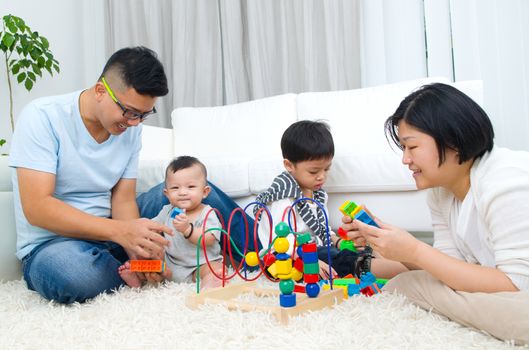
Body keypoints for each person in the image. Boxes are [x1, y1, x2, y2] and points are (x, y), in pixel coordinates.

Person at [341, 82, 529, 345]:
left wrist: (416, 251)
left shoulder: (506, 181)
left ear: (453, 142)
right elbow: (446, 270)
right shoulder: (441, 193)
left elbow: (517, 285)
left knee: (410, 286)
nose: (405, 160)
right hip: (503, 288)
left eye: (412, 147)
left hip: (520, 295)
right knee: (412, 283)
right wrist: (388, 243)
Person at [253, 120, 368, 279]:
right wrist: (310, 260)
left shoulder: (318, 195)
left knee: (354, 251)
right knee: (340, 260)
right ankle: (370, 267)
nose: (322, 176)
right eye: (314, 171)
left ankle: (388, 262)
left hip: (312, 248)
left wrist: (339, 242)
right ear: (289, 165)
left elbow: (323, 231)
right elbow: (282, 241)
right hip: (285, 256)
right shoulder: (284, 199)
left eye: (326, 169)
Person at [120, 156, 224, 289]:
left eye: (191, 187)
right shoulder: (168, 211)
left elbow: (210, 238)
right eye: (175, 188)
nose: (182, 192)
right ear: (167, 194)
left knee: (215, 269)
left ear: (205, 192)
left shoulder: (207, 213)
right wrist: (146, 231)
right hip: (171, 264)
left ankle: (210, 284)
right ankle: (136, 278)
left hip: (200, 264)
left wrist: (188, 230)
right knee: (150, 261)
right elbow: (155, 226)